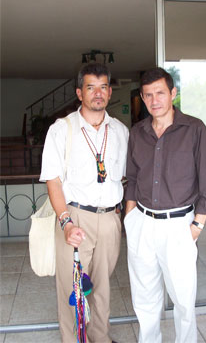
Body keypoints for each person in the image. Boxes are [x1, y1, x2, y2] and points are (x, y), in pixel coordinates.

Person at [124, 67, 206, 343]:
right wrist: (130, 218)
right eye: (148, 95)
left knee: (183, 300)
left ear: (173, 94)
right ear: (142, 98)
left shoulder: (194, 129)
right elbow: (131, 177)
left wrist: (196, 226)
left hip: (179, 226)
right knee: (144, 298)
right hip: (142, 222)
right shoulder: (138, 132)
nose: (155, 100)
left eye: (161, 93)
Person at [40, 63, 129, 343]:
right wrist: (65, 223)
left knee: (102, 288)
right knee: (73, 288)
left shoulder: (120, 131)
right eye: (91, 87)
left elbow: (126, 177)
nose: (98, 93)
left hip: (110, 220)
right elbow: (53, 180)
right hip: (76, 218)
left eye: (103, 87)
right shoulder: (61, 130)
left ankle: (100, 338)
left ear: (110, 91)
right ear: (80, 93)